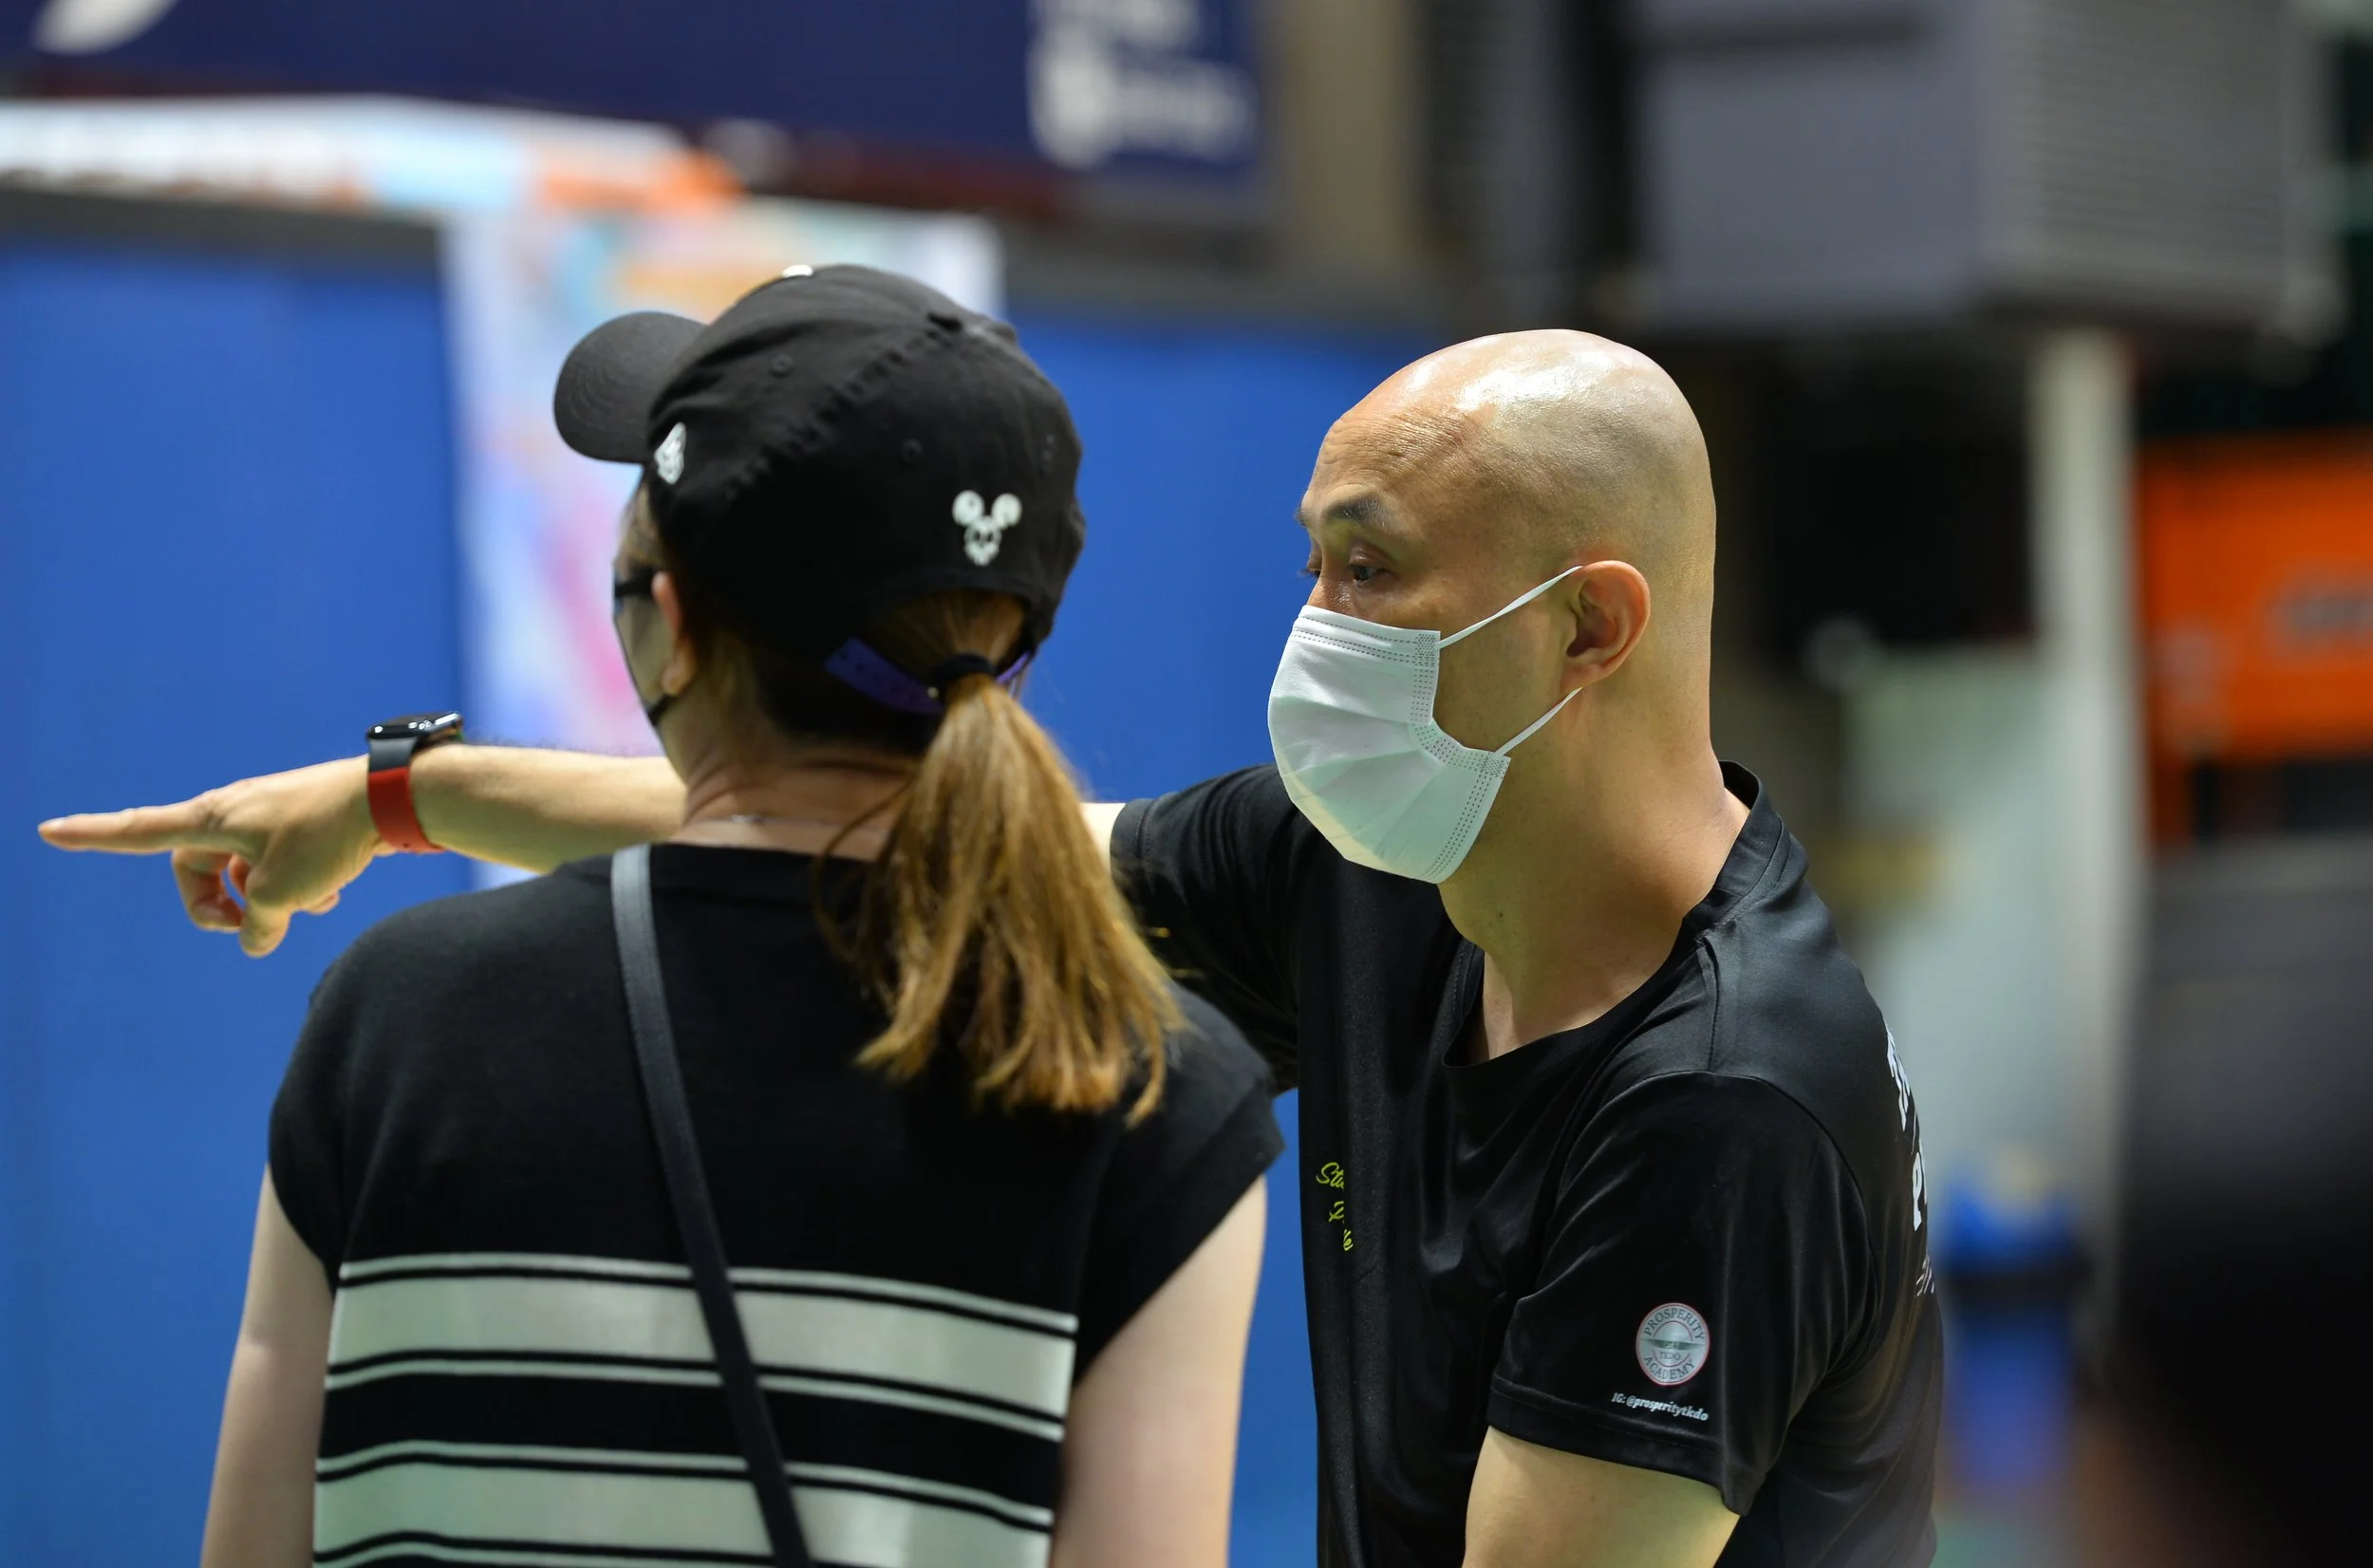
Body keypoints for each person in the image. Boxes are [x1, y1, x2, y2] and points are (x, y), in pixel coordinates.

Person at [46, 328, 1938, 1567]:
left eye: (1366, 567)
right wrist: (399, 799)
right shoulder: (1377, 867)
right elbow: (862, 842)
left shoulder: (1722, 1109)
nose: (1313, 623)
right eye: (1308, 561)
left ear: (1587, 628)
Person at [116, 266, 1284, 1568]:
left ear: (665, 627)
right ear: (1009, 653)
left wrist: (401, 793)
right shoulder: (1157, 1094)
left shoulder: (396, 1019)